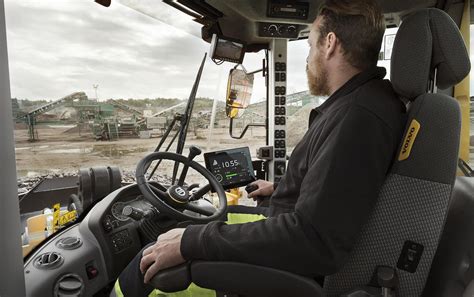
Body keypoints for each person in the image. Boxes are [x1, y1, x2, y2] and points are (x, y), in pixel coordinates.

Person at [115, 0, 406, 295]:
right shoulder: (361, 104)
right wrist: (280, 188)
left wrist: (191, 243)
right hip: (284, 231)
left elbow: (313, 239)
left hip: (288, 271)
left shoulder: (358, 119)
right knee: (194, 221)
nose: (308, 59)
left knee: (153, 263)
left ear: (330, 43)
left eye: (309, 45)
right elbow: (337, 192)